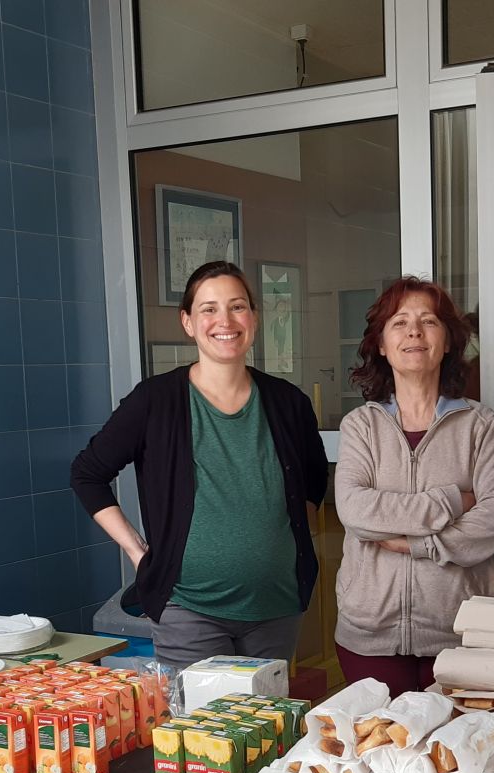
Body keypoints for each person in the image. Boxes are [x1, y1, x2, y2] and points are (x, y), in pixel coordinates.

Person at [70, 261, 328, 668]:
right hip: (187, 608)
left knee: (267, 711)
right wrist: (136, 549)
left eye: (237, 306)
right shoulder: (155, 401)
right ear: (188, 322)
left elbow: (314, 481)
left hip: (276, 606)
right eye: (209, 309)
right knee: (197, 712)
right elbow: (87, 473)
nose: (225, 321)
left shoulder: (288, 402)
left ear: (254, 317)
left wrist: (275, 544)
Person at [334, 277, 494, 693]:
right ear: (382, 344)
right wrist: (453, 500)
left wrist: (416, 544)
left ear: (447, 341)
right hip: (369, 635)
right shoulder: (361, 426)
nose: (414, 332)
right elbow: (356, 510)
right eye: (399, 322)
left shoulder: (480, 425)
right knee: (380, 735)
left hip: (462, 633)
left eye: (428, 321)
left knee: (460, 738)